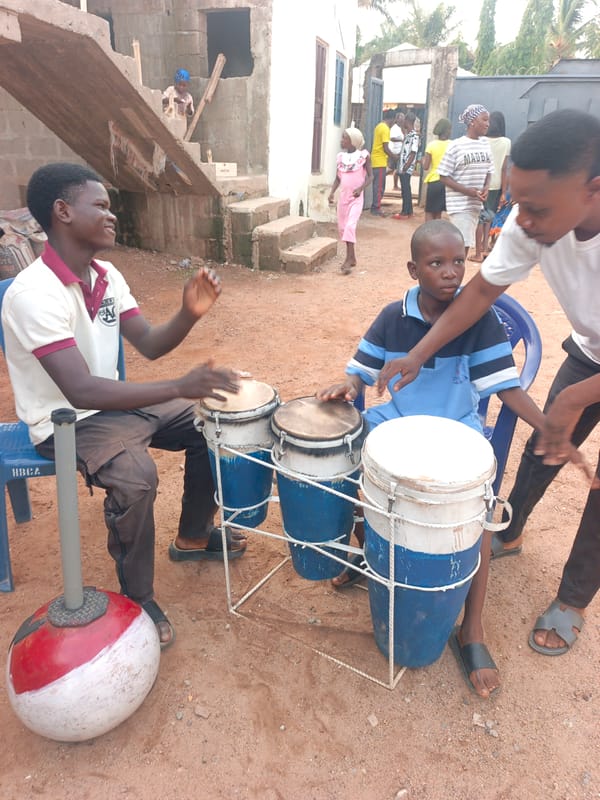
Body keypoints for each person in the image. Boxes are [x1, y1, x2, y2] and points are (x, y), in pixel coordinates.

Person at [378, 108, 600, 691]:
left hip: (589, 376)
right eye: (514, 202)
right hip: (590, 350)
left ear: (593, 190)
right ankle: (511, 528)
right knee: (546, 447)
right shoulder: (532, 225)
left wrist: (575, 398)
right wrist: (421, 352)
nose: (519, 220)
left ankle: (573, 599)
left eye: (536, 207)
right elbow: (479, 292)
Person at [316, 220, 572, 698]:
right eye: (436, 263)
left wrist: (548, 426)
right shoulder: (393, 316)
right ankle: (365, 558)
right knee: (352, 484)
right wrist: (347, 386)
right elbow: (360, 372)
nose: (451, 272)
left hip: (455, 437)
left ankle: (471, 628)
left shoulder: (480, 321)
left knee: (477, 520)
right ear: (414, 269)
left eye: (458, 262)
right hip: (391, 431)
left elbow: (506, 389)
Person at [1, 163, 248, 650]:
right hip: (65, 423)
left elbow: (151, 344)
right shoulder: (33, 294)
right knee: (137, 479)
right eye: (101, 206)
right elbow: (82, 393)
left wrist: (187, 314)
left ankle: (194, 536)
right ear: (63, 211)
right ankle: (138, 597)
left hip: (112, 407)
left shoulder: (106, 275)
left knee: (209, 423)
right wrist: (180, 384)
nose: (111, 216)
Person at [438, 104, 492, 257]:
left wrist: (486, 187)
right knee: (462, 246)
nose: (488, 124)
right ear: (472, 121)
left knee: (463, 245)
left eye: (489, 121)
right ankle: (453, 277)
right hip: (460, 204)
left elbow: (490, 170)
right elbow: (443, 175)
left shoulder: (485, 144)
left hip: (475, 204)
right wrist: (467, 191)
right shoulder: (456, 146)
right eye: (485, 120)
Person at [328, 128, 373, 275]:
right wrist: (332, 192)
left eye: (344, 138)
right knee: (343, 228)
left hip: (356, 198)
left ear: (353, 141)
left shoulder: (363, 156)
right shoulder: (340, 157)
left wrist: (361, 189)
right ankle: (352, 257)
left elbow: (371, 177)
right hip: (343, 198)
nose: (341, 141)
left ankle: (347, 260)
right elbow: (338, 178)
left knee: (350, 226)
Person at [470, 111, 511, 263]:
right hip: (497, 185)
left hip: (481, 183)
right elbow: (504, 168)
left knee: (480, 218)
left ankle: (478, 252)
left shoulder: (481, 140)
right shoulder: (506, 142)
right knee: (489, 217)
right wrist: (504, 192)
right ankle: (486, 247)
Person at [421, 118, 452, 221]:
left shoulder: (431, 145)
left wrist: (422, 160)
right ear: (447, 130)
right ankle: (437, 234)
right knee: (438, 212)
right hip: (446, 182)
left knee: (429, 211)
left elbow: (425, 167)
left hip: (434, 181)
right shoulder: (452, 145)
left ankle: (428, 233)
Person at [392, 112, 420, 220]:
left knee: (405, 189)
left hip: (406, 167)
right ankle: (409, 211)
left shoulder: (414, 136)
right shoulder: (408, 135)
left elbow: (413, 153)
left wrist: (405, 167)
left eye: (404, 121)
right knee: (406, 188)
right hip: (403, 165)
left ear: (407, 121)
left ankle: (404, 212)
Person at [370, 109, 396, 216]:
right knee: (379, 186)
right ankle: (376, 208)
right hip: (380, 160)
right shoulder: (385, 129)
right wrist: (395, 157)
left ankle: (375, 206)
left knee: (377, 185)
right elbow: (385, 147)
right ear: (393, 119)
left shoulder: (379, 126)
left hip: (375, 159)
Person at [389, 111, 405, 190]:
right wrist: (401, 139)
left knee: (396, 169)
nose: (402, 119)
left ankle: (395, 186)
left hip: (399, 151)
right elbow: (392, 138)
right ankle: (395, 186)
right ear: (397, 119)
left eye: (403, 118)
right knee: (393, 169)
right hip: (395, 151)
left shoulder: (400, 128)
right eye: (401, 117)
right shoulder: (394, 128)